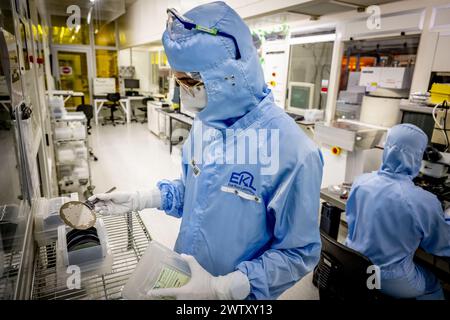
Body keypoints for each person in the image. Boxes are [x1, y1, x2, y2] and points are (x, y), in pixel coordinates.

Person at [89, 1, 323, 300]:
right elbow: (195, 194)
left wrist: (221, 289)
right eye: (178, 80)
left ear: (231, 75)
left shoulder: (293, 151)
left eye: (191, 82)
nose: (184, 92)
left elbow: (298, 252)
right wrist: (142, 198)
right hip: (181, 277)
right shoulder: (205, 124)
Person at [345, 123, 450, 300]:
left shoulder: (360, 182)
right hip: (389, 280)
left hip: (355, 265)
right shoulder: (423, 201)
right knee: (434, 283)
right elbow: (441, 245)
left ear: (386, 149)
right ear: (417, 157)